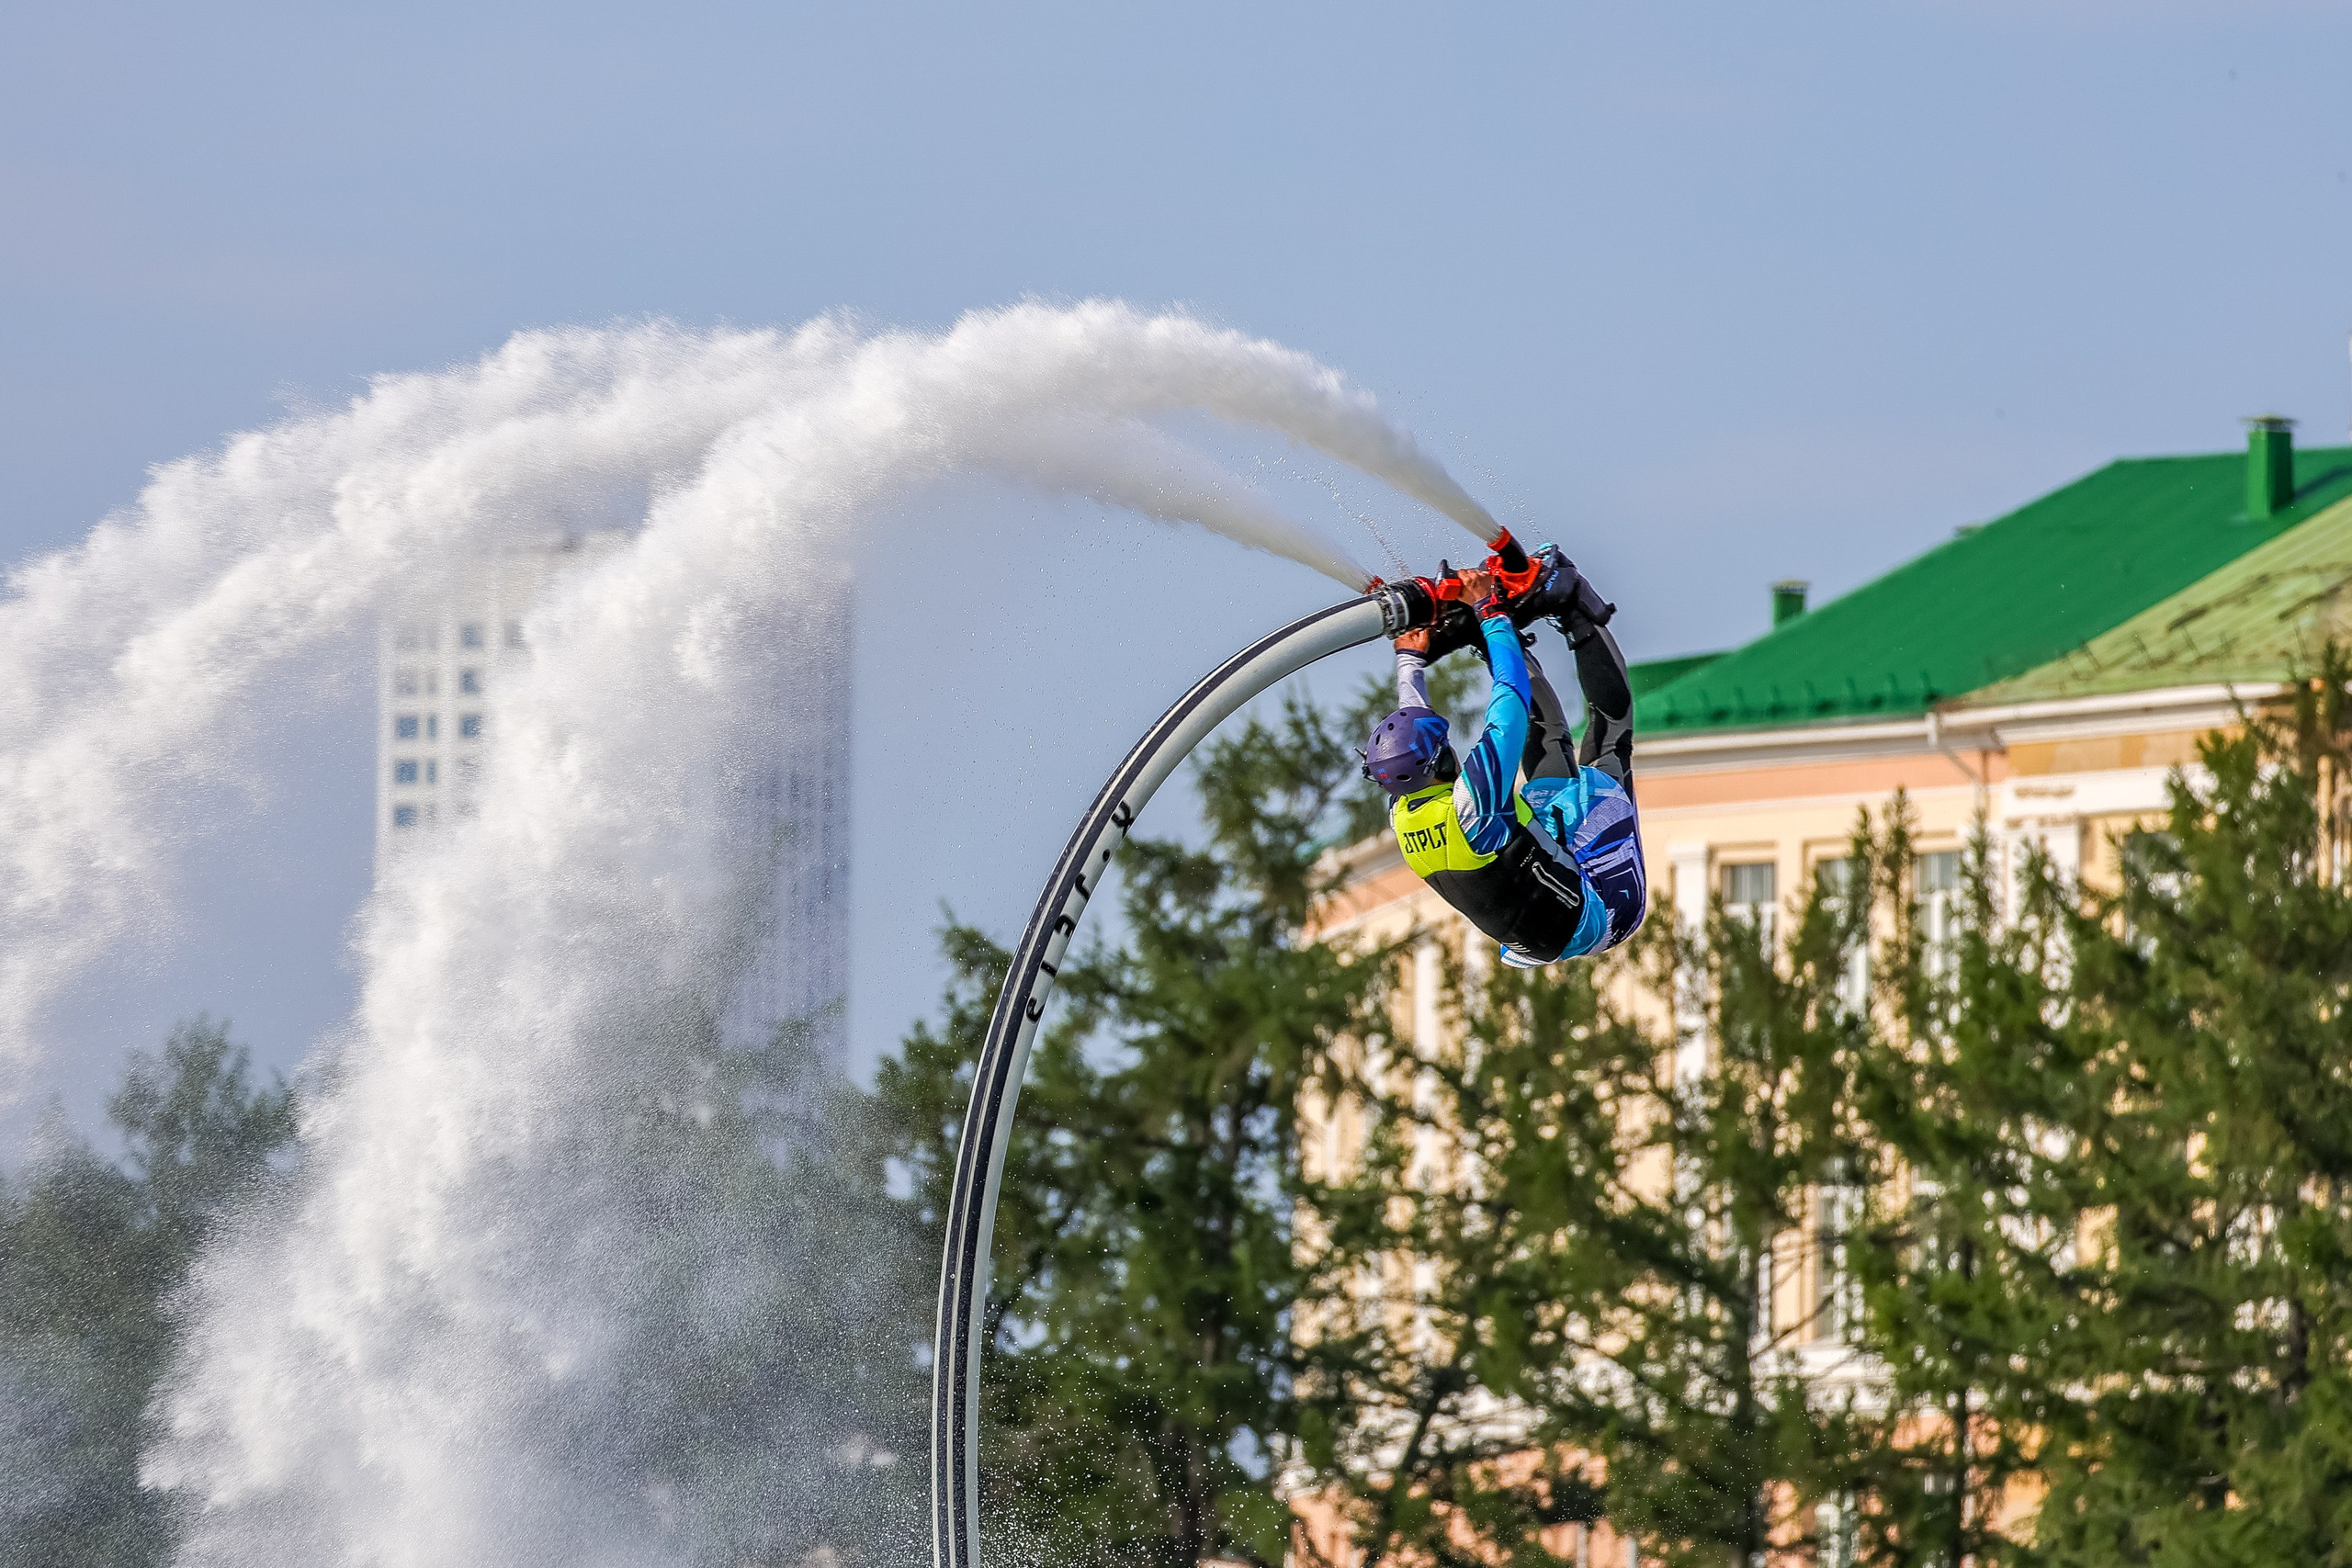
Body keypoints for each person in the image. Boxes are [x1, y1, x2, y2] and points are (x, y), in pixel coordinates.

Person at [1362, 549, 1645, 967]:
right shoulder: (1472, 804)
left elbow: (1411, 729)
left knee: (1550, 761)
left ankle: (1485, 635)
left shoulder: (1404, 811)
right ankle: (1574, 603)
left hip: (1542, 921)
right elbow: (1510, 698)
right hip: (1608, 908)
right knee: (1608, 748)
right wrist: (1489, 613)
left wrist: (1411, 661)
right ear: (1439, 763)